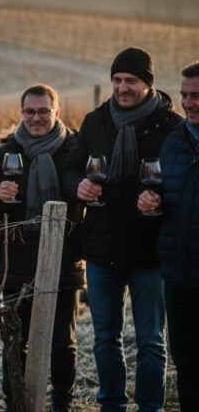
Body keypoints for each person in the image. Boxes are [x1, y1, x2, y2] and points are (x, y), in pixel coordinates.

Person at [63, 47, 181, 412]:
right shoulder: (95, 121)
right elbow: (70, 167)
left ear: (148, 83)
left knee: (150, 342)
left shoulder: (172, 127)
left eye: (130, 80)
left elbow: (183, 184)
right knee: (104, 339)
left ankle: (150, 406)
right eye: (116, 80)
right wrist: (78, 185)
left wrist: (160, 201)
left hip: (150, 253)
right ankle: (111, 404)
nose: (122, 87)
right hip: (101, 251)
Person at [0, 84, 84, 412]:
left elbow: (86, 201)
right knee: (15, 343)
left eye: (43, 111)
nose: (35, 118)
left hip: (64, 261)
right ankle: (17, 404)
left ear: (57, 112)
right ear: (21, 113)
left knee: (62, 344)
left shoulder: (74, 149)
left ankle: (62, 405)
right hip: (16, 265)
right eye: (29, 112)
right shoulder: (5, 153)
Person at [137, 61, 199, 411]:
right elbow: (162, 200)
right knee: (186, 365)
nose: (189, 103)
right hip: (178, 276)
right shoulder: (174, 142)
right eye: (184, 96)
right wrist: (150, 204)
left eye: (197, 96)